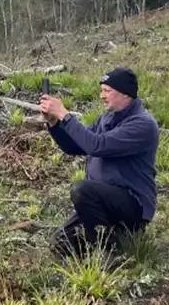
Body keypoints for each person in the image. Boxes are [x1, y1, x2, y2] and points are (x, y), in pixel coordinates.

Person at [40, 67, 159, 257]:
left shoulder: (142, 125)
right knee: (61, 243)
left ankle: (112, 252)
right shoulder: (106, 119)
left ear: (125, 94)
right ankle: (104, 242)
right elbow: (76, 147)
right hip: (102, 201)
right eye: (101, 90)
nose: (102, 96)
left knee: (82, 190)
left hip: (131, 205)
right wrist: (55, 123)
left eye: (107, 91)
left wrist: (65, 114)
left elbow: (97, 146)